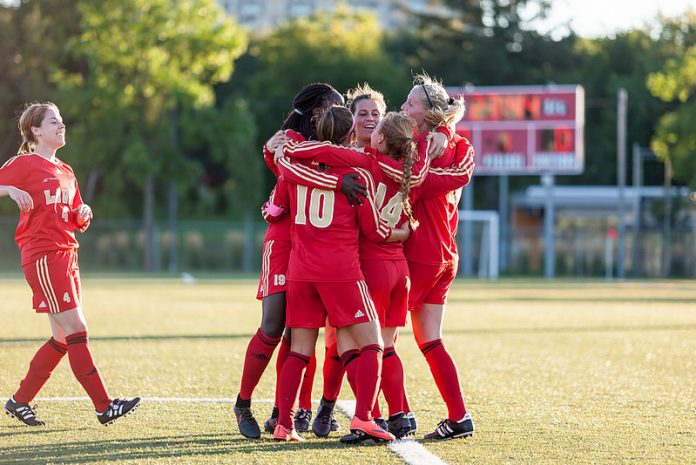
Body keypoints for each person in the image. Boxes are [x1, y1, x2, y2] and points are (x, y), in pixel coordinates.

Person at [267, 107, 408, 443]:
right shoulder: (361, 168)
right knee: (373, 342)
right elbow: (373, 230)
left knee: (299, 349)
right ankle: (363, 417)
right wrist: (400, 233)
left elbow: (274, 206)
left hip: (300, 270)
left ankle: (284, 424)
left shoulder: (296, 166)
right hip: (341, 271)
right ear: (349, 135)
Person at [0, 102, 140, 427]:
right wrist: (7, 189)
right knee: (77, 329)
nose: (61, 126)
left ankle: (20, 401)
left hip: (67, 255)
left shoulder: (66, 171)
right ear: (36, 130)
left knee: (63, 338)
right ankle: (105, 406)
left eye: (62, 121)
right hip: (44, 255)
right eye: (54, 122)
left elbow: (75, 213)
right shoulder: (24, 164)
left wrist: (84, 212)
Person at [233, 83, 352, 438]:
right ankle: (242, 405)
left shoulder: (331, 146)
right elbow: (287, 168)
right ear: (317, 111)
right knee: (272, 323)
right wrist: (337, 182)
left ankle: (280, 412)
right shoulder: (287, 140)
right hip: (285, 242)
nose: (340, 114)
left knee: (298, 331)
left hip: (313, 248)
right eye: (336, 107)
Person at [400, 73, 476, 440]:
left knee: (379, 339)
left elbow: (414, 185)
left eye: (410, 103)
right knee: (430, 339)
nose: (402, 108)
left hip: (420, 254)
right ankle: (458, 416)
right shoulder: (460, 144)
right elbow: (460, 167)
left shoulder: (413, 147)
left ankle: (395, 416)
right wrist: (446, 129)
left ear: (429, 112)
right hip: (446, 255)